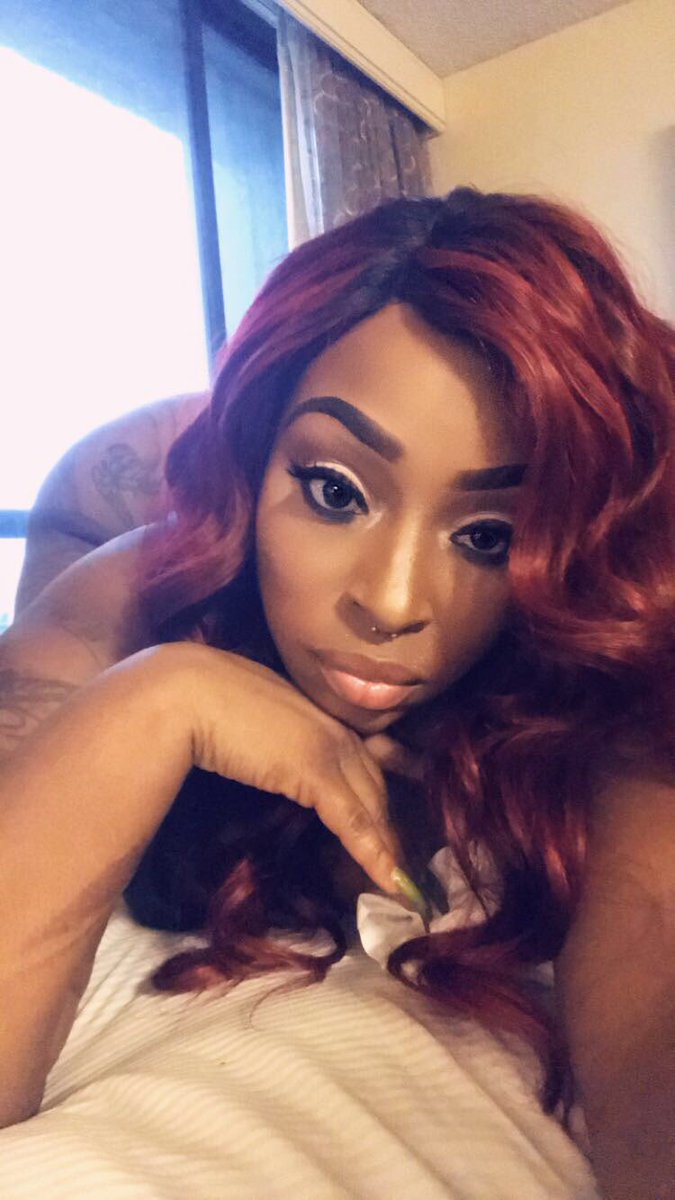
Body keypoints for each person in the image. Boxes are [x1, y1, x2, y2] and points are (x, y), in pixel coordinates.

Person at [1, 187, 674, 1200]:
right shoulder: (135, 593)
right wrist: (154, 704)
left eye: (487, 536)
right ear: (253, 454)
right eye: (334, 490)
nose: (393, 603)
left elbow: (653, 943)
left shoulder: (597, 699)